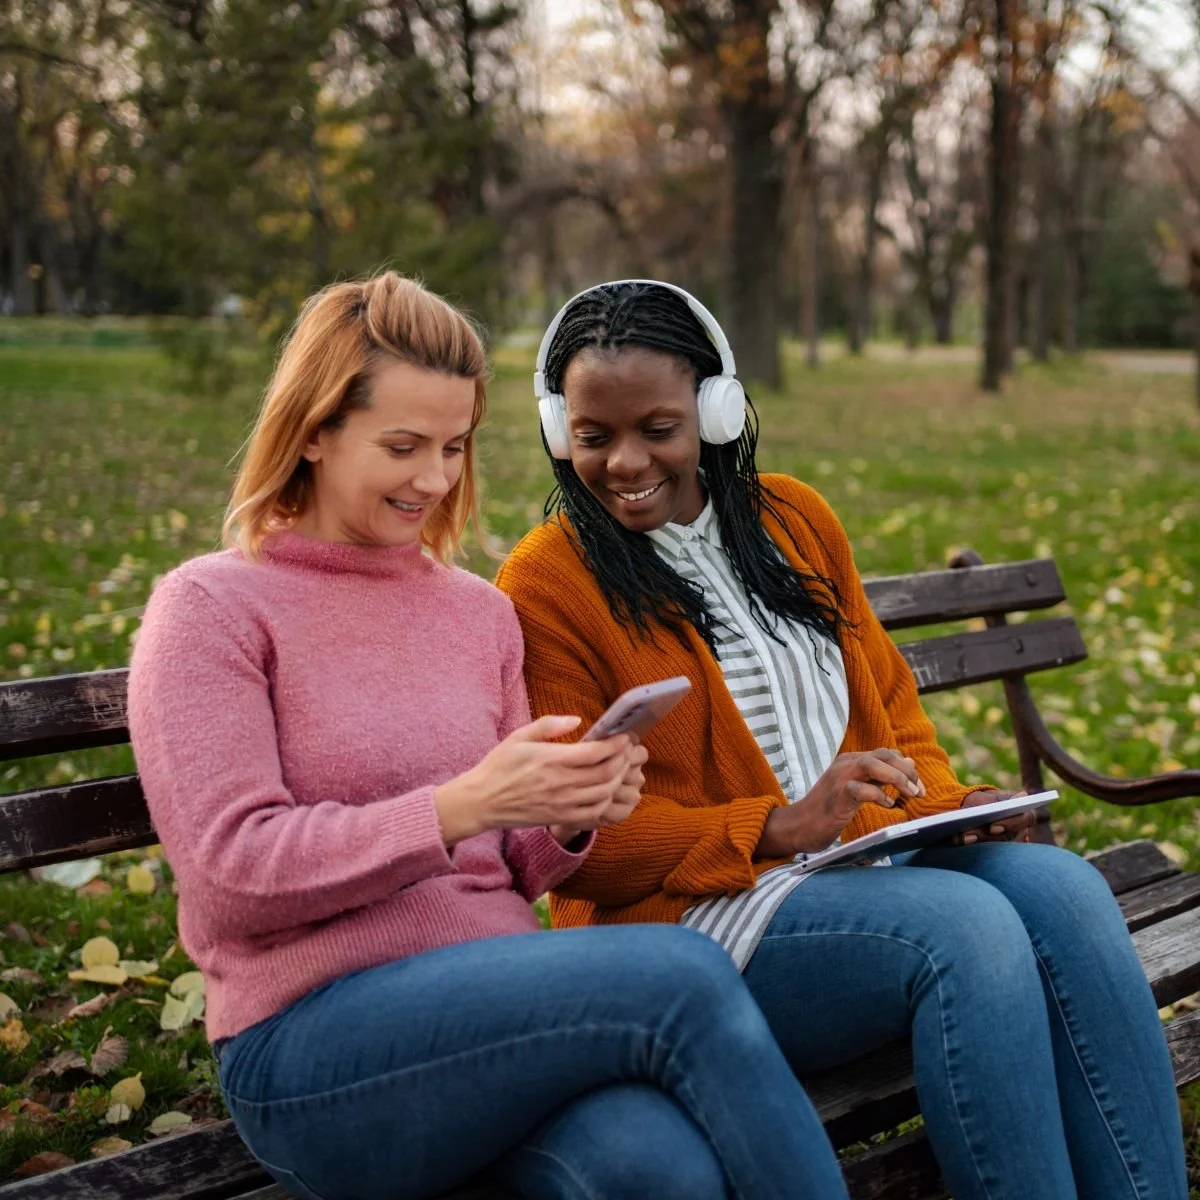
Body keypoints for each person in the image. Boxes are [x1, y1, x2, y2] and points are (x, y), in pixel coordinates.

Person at [127, 272, 854, 1200]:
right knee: (685, 977)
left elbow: (518, 864)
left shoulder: (474, 612)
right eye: (402, 446)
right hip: (317, 1045)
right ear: (312, 431)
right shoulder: (213, 610)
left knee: (652, 1168)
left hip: (504, 1007)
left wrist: (566, 813)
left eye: (454, 446)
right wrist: (460, 806)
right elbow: (232, 875)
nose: (434, 480)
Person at [496, 278, 1188, 1200]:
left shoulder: (793, 520)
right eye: (593, 436)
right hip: (697, 931)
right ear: (558, 430)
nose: (625, 461)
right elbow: (584, 853)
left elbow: (893, 708)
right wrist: (776, 827)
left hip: (861, 877)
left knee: (1063, 888)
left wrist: (945, 811)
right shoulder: (549, 582)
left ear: (715, 410)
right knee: (969, 931)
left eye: (656, 428)